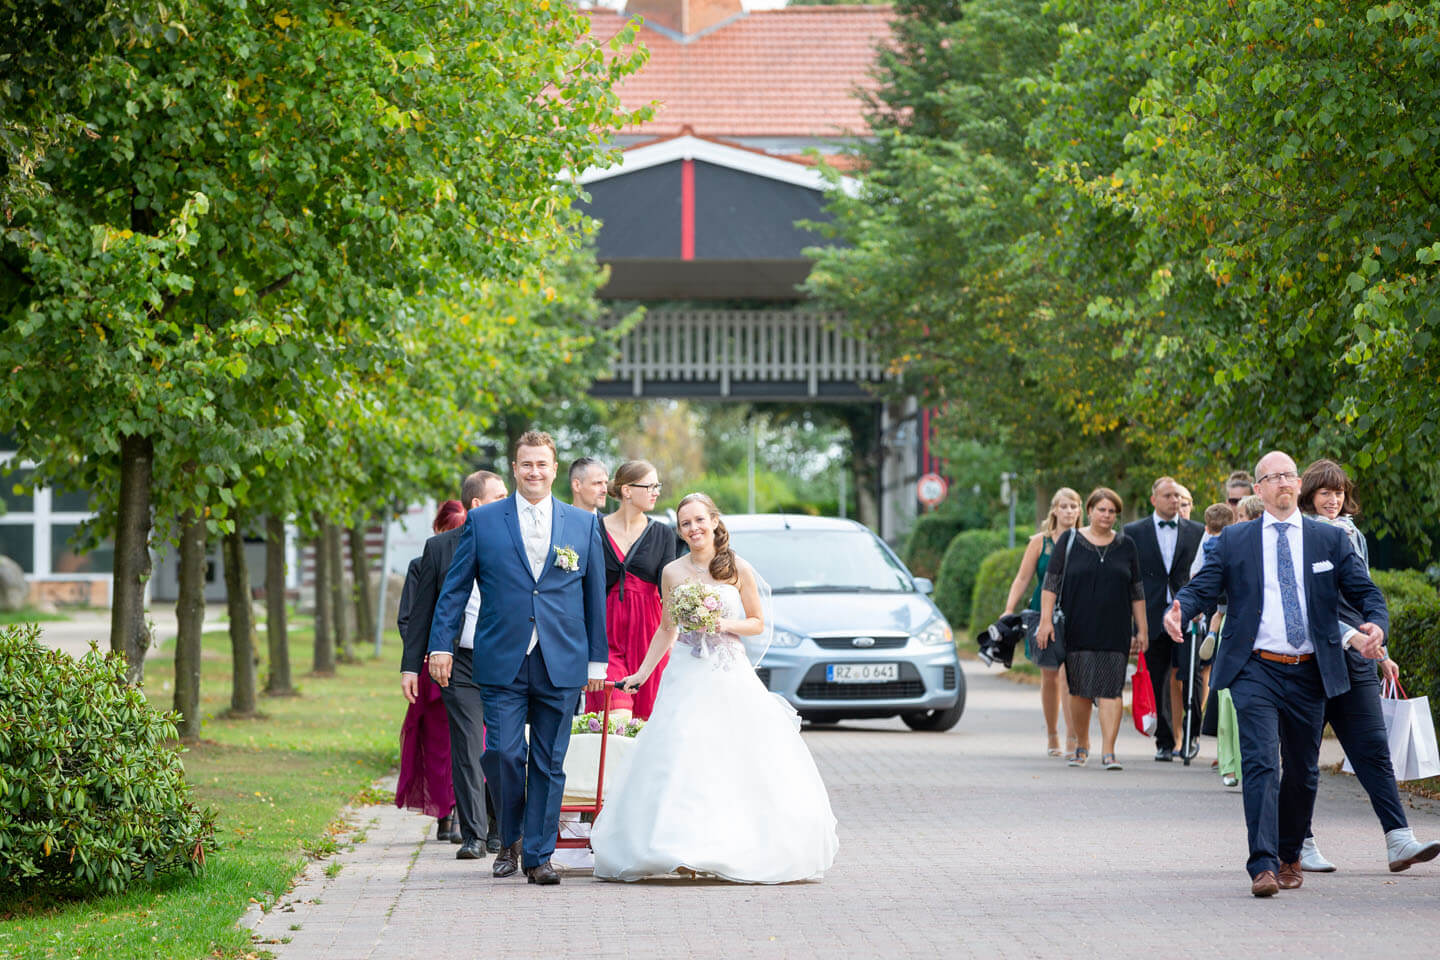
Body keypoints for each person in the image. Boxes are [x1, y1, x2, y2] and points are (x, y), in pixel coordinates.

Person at [1167, 450, 1389, 897]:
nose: (1285, 483)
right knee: (1262, 764)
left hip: (1310, 671)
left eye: (1291, 475)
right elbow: (1205, 586)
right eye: (1275, 477)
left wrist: (1376, 623)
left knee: (1304, 772)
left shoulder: (1328, 540)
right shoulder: (1235, 540)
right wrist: (1181, 609)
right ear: (1259, 489)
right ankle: (1263, 865)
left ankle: (1290, 853)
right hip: (1255, 668)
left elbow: (1366, 591)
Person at [591, 492, 839, 883]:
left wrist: (724, 624)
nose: (694, 529)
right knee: (680, 750)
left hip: (727, 670)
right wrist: (641, 672)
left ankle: (731, 844)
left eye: (700, 520)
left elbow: (757, 622)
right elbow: (667, 629)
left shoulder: (736, 568)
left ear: (715, 522)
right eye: (686, 523)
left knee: (733, 753)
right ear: (680, 530)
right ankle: (678, 848)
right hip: (686, 671)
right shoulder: (672, 572)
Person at [427, 431, 608, 886]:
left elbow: (594, 600)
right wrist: (442, 644)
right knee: (503, 754)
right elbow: (454, 590)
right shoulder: (484, 521)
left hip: (561, 659)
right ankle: (508, 837)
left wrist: (597, 663)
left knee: (550, 762)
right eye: (526, 464)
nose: (534, 472)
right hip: (502, 656)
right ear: (514, 468)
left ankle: (538, 854)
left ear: (553, 468)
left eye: (542, 464)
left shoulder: (582, 525)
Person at [1296, 458, 1438, 874]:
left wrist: (1381, 648)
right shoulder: (1299, 535)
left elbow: (1361, 596)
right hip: (1311, 658)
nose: (1333, 500)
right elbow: (1307, 605)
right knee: (1303, 755)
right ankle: (1300, 843)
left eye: (1339, 492)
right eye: (1325, 492)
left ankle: (1399, 840)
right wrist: (1348, 634)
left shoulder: (1351, 534)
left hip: (1358, 657)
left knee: (1373, 748)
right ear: (1308, 495)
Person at [402, 471, 509, 860]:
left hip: (504, 658)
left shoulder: (515, 544)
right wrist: (411, 667)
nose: (509, 499)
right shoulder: (439, 548)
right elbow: (422, 612)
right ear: (478, 505)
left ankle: (501, 829)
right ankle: (474, 834)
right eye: (500, 495)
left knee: (501, 746)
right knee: (465, 745)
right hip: (458, 661)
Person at [1035, 487, 1146, 771]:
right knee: (1080, 689)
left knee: (1112, 689)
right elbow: (1050, 583)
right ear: (1091, 510)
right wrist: (1045, 621)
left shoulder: (1126, 545)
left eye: (1112, 512)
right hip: (1078, 625)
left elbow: (1137, 591)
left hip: (1116, 628)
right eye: (1102, 510)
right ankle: (1082, 745)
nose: (1107, 516)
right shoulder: (1070, 540)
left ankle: (1109, 752)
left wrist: (1141, 629)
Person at [394, 500, 467, 841]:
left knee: (469, 743)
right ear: (439, 530)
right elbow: (410, 616)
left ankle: (468, 813)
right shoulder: (421, 564)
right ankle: (444, 812)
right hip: (433, 666)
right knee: (439, 745)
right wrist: (421, 657)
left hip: (468, 660)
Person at [583, 459, 677, 718]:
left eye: (657, 485)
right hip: (605, 639)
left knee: (648, 724)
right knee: (616, 719)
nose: (656, 491)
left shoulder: (663, 534)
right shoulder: (593, 530)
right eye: (650, 486)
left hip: (649, 640)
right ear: (627, 491)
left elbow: (669, 590)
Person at [1124, 476, 1206, 762]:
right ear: (1153, 500)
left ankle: (1191, 736)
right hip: (1152, 615)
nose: (1174, 500)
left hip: (1187, 615)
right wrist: (1135, 627)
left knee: (1191, 675)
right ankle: (1164, 740)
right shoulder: (1133, 531)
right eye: (1168, 495)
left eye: (1178, 496)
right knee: (1157, 677)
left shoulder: (1197, 531)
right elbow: (1130, 579)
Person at [1002, 487, 1081, 759]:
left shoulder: (1086, 539)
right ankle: (1052, 733)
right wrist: (1009, 609)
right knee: (1049, 674)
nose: (1069, 511)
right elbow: (1022, 578)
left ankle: (1074, 735)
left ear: (1080, 511)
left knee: (1070, 676)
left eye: (1074, 506)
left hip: (1076, 609)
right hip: (1043, 610)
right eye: (1064, 506)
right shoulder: (1040, 542)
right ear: (1054, 510)